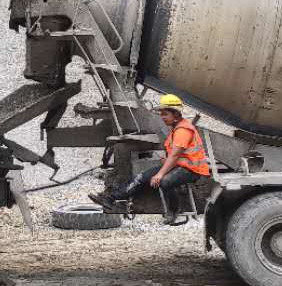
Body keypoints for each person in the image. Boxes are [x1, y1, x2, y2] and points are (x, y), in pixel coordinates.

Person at [91, 94, 212, 224]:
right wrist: (166, 163)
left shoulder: (183, 130)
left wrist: (159, 174)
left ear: (176, 114)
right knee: (140, 177)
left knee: (165, 181)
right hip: (179, 165)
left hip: (193, 169)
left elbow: (175, 155)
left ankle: (174, 211)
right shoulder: (176, 128)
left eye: (165, 114)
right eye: (161, 114)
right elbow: (175, 156)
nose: (162, 117)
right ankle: (109, 199)